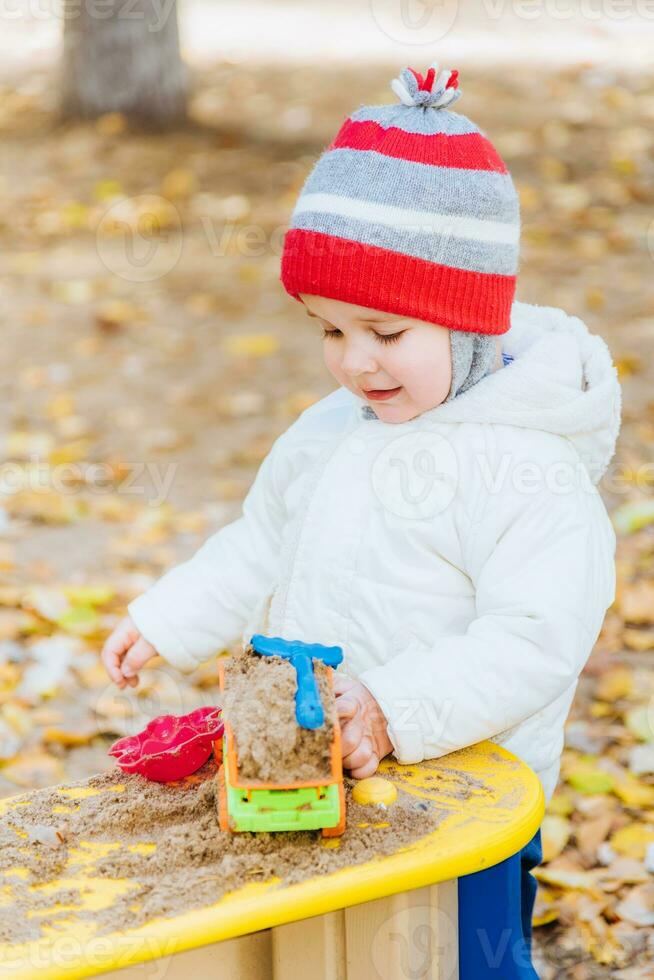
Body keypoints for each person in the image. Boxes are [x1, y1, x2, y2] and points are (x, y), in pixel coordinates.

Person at [101, 62, 621, 976]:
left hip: (464, 800)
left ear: (472, 327)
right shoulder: (328, 431)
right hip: (321, 769)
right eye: (330, 331)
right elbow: (260, 544)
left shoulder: (529, 467)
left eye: (387, 334)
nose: (355, 364)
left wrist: (395, 708)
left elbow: (537, 638)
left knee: (460, 961)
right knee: (340, 956)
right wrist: (166, 619)